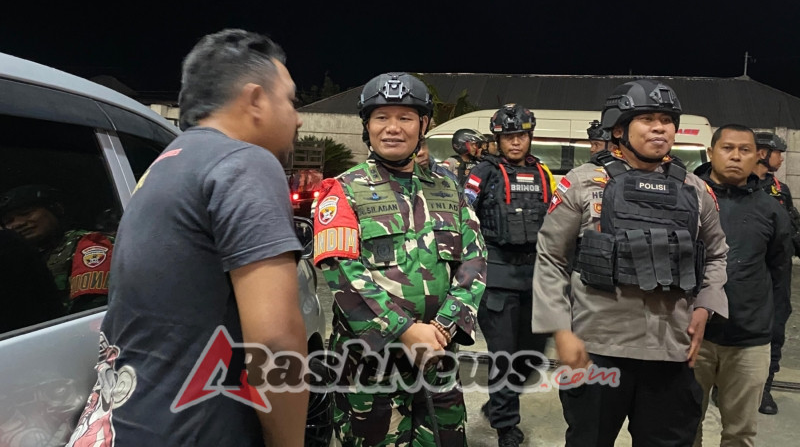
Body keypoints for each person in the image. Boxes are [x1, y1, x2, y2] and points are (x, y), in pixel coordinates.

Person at [66, 29, 309, 446]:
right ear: (255, 100)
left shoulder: (165, 165)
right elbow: (275, 339)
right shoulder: (245, 162)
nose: (297, 116)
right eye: (289, 100)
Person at [532, 79, 729, 447]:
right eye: (648, 119)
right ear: (619, 129)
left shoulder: (695, 190)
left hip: (671, 352)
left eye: (667, 120)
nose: (660, 127)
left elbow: (717, 253)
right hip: (596, 351)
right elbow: (550, 257)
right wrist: (560, 329)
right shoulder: (584, 182)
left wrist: (706, 305)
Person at [313, 72, 487, 447]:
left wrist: (442, 327)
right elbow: (343, 275)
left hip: (438, 360)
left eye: (405, 118)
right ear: (367, 125)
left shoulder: (448, 190)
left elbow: (474, 260)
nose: (393, 128)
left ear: (423, 125)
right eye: (381, 117)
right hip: (370, 370)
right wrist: (407, 331)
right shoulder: (342, 191)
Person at [691, 124, 792, 447]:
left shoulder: (772, 209)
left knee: (740, 434)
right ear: (711, 153)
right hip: (692, 338)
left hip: (749, 342)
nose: (736, 156)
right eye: (727, 148)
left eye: (745, 150)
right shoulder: (687, 198)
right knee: (683, 427)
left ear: (757, 156)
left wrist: (773, 332)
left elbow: (780, 275)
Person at [464, 103, 555, 447]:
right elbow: (463, 216)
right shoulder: (483, 173)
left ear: (530, 136)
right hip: (497, 278)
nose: (515, 143)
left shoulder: (543, 172)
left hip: (535, 277)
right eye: (508, 137)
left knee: (531, 356)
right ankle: (506, 426)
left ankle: (498, 403)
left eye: (521, 136)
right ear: (498, 139)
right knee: (504, 356)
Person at [0, 184, 115, 313]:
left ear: (56, 209)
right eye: (9, 221)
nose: (18, 223)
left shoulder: (88, 244)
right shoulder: (17, 261)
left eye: (26, 213)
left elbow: (92, 310)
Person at [753, 131, 799, 414]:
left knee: (775, 332)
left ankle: (764, 389)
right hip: (745, 273)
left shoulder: (780, 190)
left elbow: (793, 229)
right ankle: (726, 386)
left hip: (778, 277)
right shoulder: (738, 186)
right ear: (762, 153)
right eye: (778, 152)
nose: (782, 158)